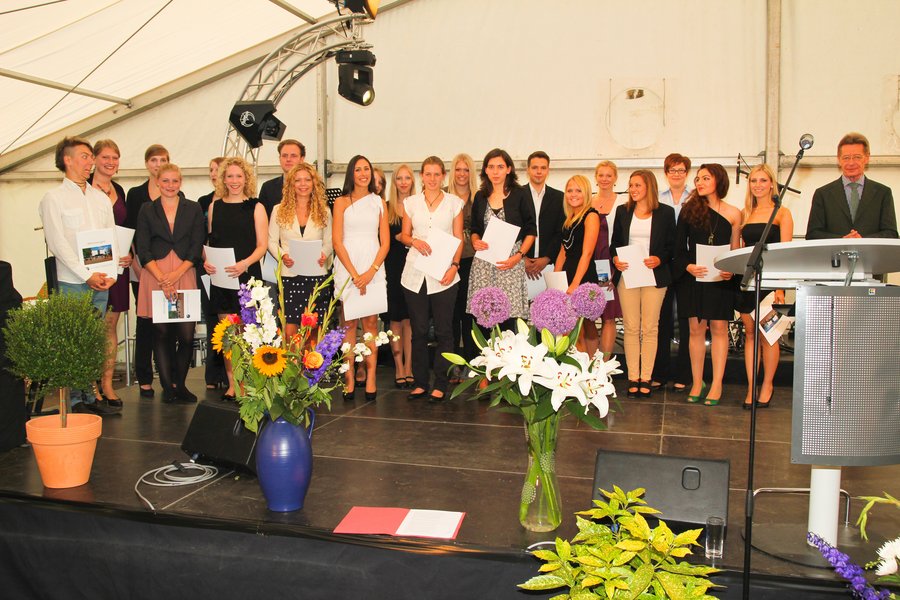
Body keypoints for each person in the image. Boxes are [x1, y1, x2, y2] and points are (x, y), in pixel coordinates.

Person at [38, 136, 118, 415]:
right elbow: (57, 243)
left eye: (91, 157)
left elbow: (110, 237)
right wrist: (85, 275)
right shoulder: (54, 198)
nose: (90, 162)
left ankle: (90, 395)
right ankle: (75, 400)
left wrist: (112, 273)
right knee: (74, 340)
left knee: (94, 340)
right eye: (85, 156)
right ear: (67, 160)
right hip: (72, 281)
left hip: (101, 280)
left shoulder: (100, 198)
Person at [135, 163, 206, 404]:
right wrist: (162, 278)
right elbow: (143, 247)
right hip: (155, 276)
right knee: (162, 334)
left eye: (175, 181)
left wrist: (176, 275)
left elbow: (196, 245)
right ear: (157, 182)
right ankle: (167, 387)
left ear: (181, 182)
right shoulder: (147, 209)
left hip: (184, 274)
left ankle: (180, 384)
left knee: (186, 335)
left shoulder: (193, 208)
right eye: (165, 180)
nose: (170, 185)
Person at [673, 164, 742, 406]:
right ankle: (697, 381)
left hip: (720, 280)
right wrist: (688, 266)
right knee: (695, 330)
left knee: (720, 328)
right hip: (694, 277)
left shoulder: (734, 213)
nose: (699, 183)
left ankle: (717, 383)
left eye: (705, 178)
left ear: (718, 181)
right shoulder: (689, 210)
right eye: (698, 179)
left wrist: (731, 270)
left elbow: (735, 250)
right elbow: (678, 248)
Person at [398, 157, 465, 402]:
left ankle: (441, 383)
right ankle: (420, 383)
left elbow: (459, 238)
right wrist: (414, 241)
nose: (433, 178)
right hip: (415, 274)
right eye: (428, 174)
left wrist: (455, 266)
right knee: (419, 330)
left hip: (444, 273)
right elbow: (404, 235)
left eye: (437, 174)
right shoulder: (411, 203)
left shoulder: (454, 203)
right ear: (422, 176)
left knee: (445, 331)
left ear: (443, 176)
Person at [204, 156, 268, 401]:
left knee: (249, 332)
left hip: (248, 276)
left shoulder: (256, 207)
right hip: (222, 278)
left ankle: (249, 381)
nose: (234, 181)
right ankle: (233, 384)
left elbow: (262, 245)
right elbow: (211, 241)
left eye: (238, 176)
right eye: (229, 176)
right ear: (222, 179)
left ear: (246, 178)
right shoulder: (215, 206)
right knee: (229, 335)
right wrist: (207, 261)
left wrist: (245, 264)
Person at [610, 170, 676, 398]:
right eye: (631, 185)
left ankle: (645, 377)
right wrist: (616, 259)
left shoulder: (666, 213)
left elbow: (672, 246)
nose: (633, 189)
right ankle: (633, 377)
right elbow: (614, 244)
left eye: (637, 185)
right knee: (630, 327)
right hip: (628, 275)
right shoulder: (622, 211)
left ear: (649, 186)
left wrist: (659, 259)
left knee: (649, 327)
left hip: (654, 276)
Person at [332, 155, 390, 401]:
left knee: (370, 326)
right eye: (358, 169)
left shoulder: (379, 202)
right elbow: (337, 241)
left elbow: (385, 242)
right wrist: (355, 275)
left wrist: (370, 272)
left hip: (373, 267)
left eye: (367, 169)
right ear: (351, 174)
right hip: (348, 268)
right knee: (348, 326)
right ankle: (348, 377)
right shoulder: (341, 202)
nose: (363, 173)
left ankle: (371, 377)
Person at [736, 164, 793, 409]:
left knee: (769, 336)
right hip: (748, 281)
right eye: (753, 181)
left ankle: (768, 385)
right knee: (750, 334)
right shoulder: (745, 213)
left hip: (771, 282)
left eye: (762, 180)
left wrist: (780, 288)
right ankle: (752, 387)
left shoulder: (782, 213)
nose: (757, 185)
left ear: (772, 184)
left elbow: (785, 254)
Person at [468, 148, 536, 327]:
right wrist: (475, 241)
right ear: (485, 170)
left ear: (509, 169)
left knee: (509, 319)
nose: (495, 171)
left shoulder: (520, 194)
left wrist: (519, 256)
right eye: (491, 167)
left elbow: (531, 230)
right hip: (484, 264)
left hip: (510, 262)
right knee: (484, 318)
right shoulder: (480, 196)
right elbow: (474, 228)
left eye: (500, 167)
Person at [268, 162, 333, 341]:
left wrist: (324, 254)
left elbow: (330, 241)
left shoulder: (325, 211)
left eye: (307, 180)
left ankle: (313, 361)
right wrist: (283, 256)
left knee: (314, 331)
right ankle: (292, 361)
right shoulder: (278, 210)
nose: (303, 184)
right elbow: (271, 241)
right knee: (290, 330)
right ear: (291, 184)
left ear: (314, 183)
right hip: (290, 276)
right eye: (298, 180)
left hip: (316, 276)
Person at [89, 139, 132, 407]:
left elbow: (126, 227)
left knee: (110, 325)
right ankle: (90, 385)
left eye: (115, 158)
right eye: (105, 157)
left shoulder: (119, 190)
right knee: (93, 326)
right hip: (94, 266)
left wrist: (129, 254)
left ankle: (107, 383)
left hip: (119, 267)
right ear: (94, 159)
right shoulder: (84, 188)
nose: (110, 162)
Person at [125, 144, 170, 398]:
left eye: (163, 160)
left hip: (169, 272)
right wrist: (136, 265)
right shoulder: (136, 194)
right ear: (146, 164)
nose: (158, 164)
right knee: (145, 321)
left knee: (166, 324)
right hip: (142, 268)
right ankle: (144, 377)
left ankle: (166, 374)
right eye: (154, 160)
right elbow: (131, 232)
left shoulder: (175, 192)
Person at [806, 132, 897, 240]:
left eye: (857, 157)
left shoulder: (882, 193)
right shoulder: (823, 194)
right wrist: (842, 240)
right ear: (839, 159)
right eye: (846, 158)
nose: (851, 163)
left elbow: (891, 233)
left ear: (867, 158)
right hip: (835, 251)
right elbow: (813, 234)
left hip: (870, 251)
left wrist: (862, 241)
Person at [653, 153, 693, 392]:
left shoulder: (696, 197)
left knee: (687, 322)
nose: (676, 174)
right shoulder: (657, 198)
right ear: (666, 173)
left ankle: (684, 374)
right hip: (665, 264)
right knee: (662, 320)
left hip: (688, 265)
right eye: (672, 170)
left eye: (681, 170)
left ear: (687, 173)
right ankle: (660, 373)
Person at [553, 174, 600, 350]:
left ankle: (591, 363)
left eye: (578, 190)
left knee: (585, 325)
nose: (573, 194)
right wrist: (555, 280)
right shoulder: (569, 218)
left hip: (584, 275)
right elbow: (562, 252)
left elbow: (587, 253)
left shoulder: (591, 216)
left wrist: (575, 284)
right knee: (572, 326)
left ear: (586, 192)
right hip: (568, 273)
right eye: (570, 190)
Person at [587, 160, 624, 358]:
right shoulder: (587, 201)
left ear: (615, 178)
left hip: (607, 265)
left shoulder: (622, 203)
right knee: (588, 314)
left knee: (608, 315)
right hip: (588, 264)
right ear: (596, 177)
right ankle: (591, 364)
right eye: (601, 175)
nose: (604, 179)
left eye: (609, 175)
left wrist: (615, 267)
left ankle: (605, 365)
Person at [447, 153, 479, 381]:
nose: (461, 174)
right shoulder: (443, 197)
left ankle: (472, 364)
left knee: (469, 315)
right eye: (458, 169)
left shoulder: (479, 198)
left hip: (472, 262)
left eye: (466, 169)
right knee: (449, 316)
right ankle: (452, 365)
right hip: (447, 262)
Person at [196, 157, 227, 391]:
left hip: (230, 266)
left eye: (219, 170)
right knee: (212, 319)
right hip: (207, 266)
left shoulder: (239, 200)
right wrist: (205, 258)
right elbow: (199, 235)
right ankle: (213, 373)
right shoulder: (203, 202)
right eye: (212, 170)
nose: (215, 173)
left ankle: (230, 373)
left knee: (230, 322)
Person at [383, 164, 415, 388]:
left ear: (413, 181)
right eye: (399, 178)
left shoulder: (419, 206)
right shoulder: (386, 208)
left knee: (410, 320)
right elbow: (382, 238)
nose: (403, 182)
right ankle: (399, 367)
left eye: (407, 178)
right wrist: (399, 237)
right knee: (395, 319)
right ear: (394, 182)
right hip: (393, 267)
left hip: (414, 266)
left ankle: (410, 366)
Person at [523, 151, 565, 281]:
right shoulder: (516, 195)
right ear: (528, 170)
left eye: (543, 168)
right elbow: (512, 229)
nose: (539, 172)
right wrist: (521, 257)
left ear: (548, 170)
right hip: (519, 264)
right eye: (534, 167)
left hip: (549, 266)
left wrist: (547, 258)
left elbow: (561, 231)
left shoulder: (559, 197)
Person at [258, 139, 305, 218]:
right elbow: (263, 218)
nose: (288, 159)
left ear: (302, 159)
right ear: (279, 158)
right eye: (284, 156)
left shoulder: (315, 186)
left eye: (293, 156)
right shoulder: (267, 188)